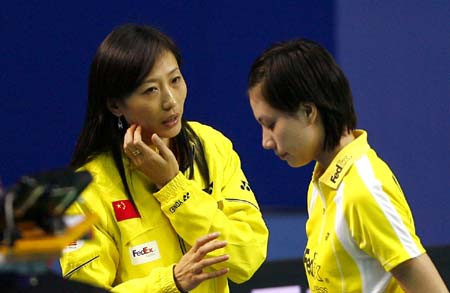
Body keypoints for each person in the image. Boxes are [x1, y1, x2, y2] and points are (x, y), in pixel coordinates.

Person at [59, 23, 268, 292]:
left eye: (175, 80)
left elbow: (247, 257)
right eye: (151, 90)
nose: (170, 101)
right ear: (114, 105)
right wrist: (172, 283)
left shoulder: (212, 147)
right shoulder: (82, 193)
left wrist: (173, 186)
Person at [247, 39, 448, 292]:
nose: (265, 141)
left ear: (309, 112)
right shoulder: (320, 185)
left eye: (271, 124)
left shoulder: (364, 190)